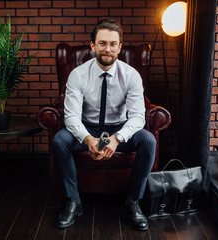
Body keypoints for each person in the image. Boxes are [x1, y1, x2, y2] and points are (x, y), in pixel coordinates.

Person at [52, 19, 156, 231]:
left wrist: (117, 139)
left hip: (119, 127)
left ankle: (133, 202)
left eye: (112, 44)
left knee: (148, 140)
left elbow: (138, 116)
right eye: (102, 43)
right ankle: (73, 201)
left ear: (119, 47)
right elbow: (71, 116)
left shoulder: (131, 75)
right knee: (59, 141)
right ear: (93, 46)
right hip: (87, 127)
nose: (107, 49)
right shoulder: (78, 75)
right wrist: (88, 139)